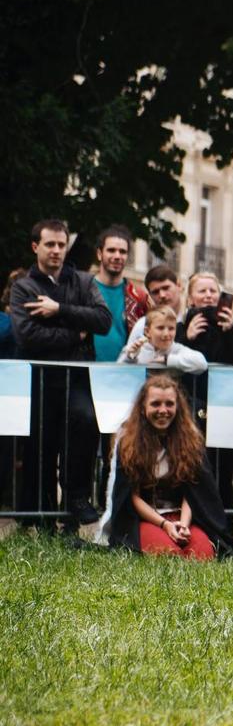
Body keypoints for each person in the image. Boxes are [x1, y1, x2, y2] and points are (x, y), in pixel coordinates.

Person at [10, 219, 112, 527]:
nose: (56, 250)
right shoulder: (23, 287)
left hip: (78, 379)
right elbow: (28, 335)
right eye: (50, 244)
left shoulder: (83, 282)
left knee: (84, 422)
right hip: (40, 381)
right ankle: (39, 520)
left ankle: (75, 502)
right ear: (35, 247)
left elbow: (103, 320)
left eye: (61, 244)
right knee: (41, 446)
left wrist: (60, 311)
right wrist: (75, 334)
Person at [97, 376, 233, 559]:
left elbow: (194, 490)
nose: (163, 410)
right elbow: (131, 496)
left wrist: (182, 525)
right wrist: (165, 525)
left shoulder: (191, 440)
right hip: (147, 518)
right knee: (170, 554)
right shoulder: (128, 442)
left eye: (169, 404)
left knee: (201, 555)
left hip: (183, 516)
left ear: (177, 406)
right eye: (155, 404)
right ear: (143, 407)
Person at [177, 272, 233, 511]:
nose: (208, 296)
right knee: (194, 468)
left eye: (212, 291)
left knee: (224, 471)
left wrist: (228, 332)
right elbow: (172, 360)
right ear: (190, 298)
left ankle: (225, 526)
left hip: (225, 405)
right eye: (202, 291)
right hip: (190, 405)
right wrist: (187, 337)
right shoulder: (179, 327)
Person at [90, 225, 148, 363]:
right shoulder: (83, 290)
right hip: (87, 374)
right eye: (111, 250)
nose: (117, 256)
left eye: (122, 252)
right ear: (99, 254)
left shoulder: (139, 297)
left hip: (125, 373)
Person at [118, 307, 208, 373]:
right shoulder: (135, 348)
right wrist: (129, 358)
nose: (166, 334)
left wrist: (167, 360)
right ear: (147, 331)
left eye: (171, 328)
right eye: (160, 328)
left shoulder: (176, 349)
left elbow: (201, 363)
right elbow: (116, 373)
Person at [125, 265, 184, 345]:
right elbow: (129, 355)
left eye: (166, 288)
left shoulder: (193, 320)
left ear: (179, 286)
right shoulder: (142, 326)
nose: (162, 295)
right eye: (155, 292)